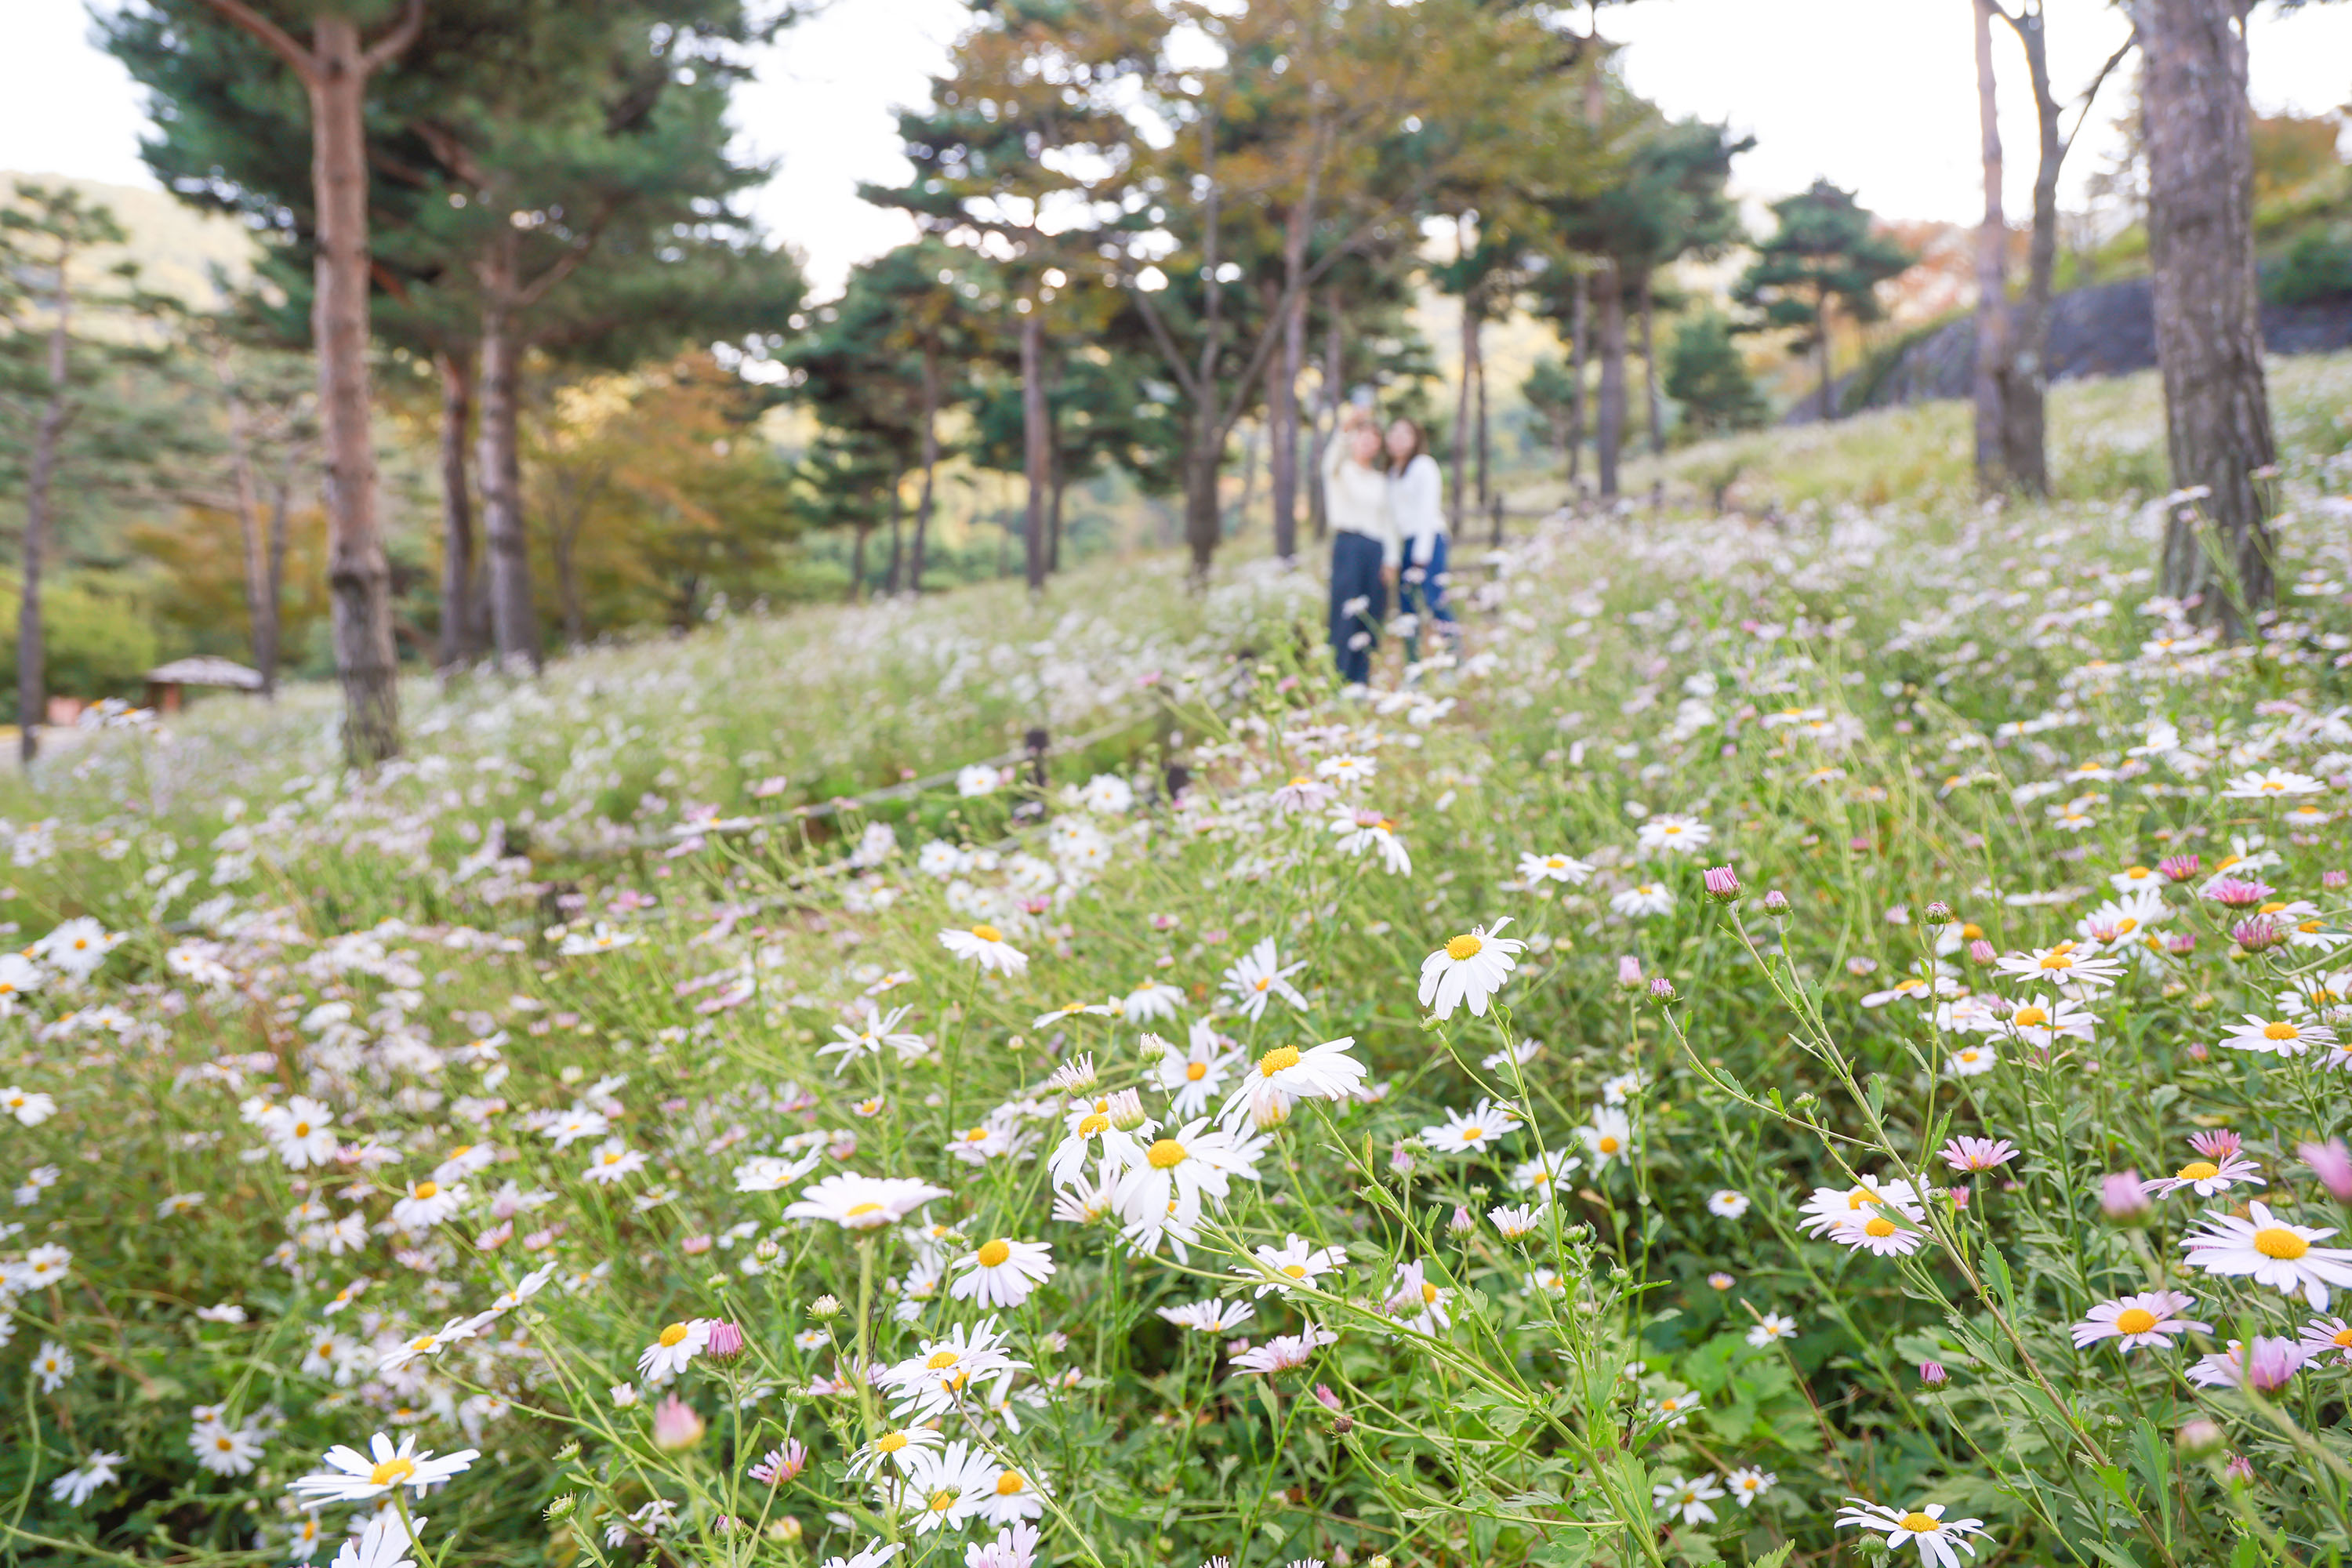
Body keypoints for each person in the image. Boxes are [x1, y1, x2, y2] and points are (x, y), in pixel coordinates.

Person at [1323, 405, 1398, 688]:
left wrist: (1390, 559)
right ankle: (1340, 677)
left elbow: (1388, 522)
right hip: (1349, 545)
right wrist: (1347, 425)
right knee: (1345, 612)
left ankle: (1362, 679)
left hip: (1376, 549)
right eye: (1363, 437)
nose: (1368, 443)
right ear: (1354, 440)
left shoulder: (1381, 480)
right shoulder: (1340, 470)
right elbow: (1332, 455)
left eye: (1374, 439)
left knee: (1372, 612)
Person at [1385, 416, 1452, 661]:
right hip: (1407, 543)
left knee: (1435, 601)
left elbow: (1427, 511)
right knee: (1407, 607)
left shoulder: (1424, 465)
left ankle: (1453, 658)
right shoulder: (1392, 473)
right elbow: (1392, 522)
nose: (1399, 440)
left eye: (1406, 435)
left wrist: (1421, 556)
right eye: (1394, 433)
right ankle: (1413, 664)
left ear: (1415, 440)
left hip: (1429, 540)